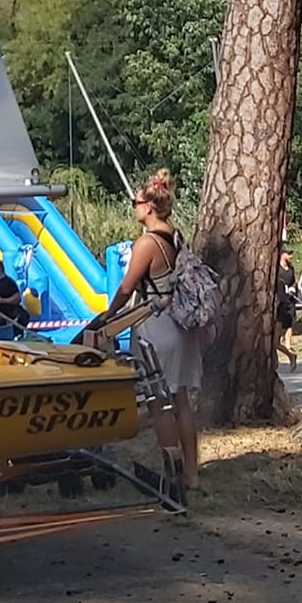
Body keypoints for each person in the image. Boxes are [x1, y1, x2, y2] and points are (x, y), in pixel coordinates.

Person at [105, 168, 199, 489]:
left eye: (136, 202)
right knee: (181, 399)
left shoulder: (146, 243)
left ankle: (172, 473)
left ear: (148, 206)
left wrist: (105, 318)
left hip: (154, 325)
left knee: (159, 404)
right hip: (178, 323)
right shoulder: (174, 235)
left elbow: (126, 288)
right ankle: (192, 473)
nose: (133, 207)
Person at [275, 250, 302, 368]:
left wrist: (292, 288)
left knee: (287, 328)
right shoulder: (276, 268)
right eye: (288, 254)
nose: (291, 256)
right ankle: (289, 356)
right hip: (278, 303)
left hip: (288, 302)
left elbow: (293, 282)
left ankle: (289, 350)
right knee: (274, 341)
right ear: (282, 255)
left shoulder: (291, 269)